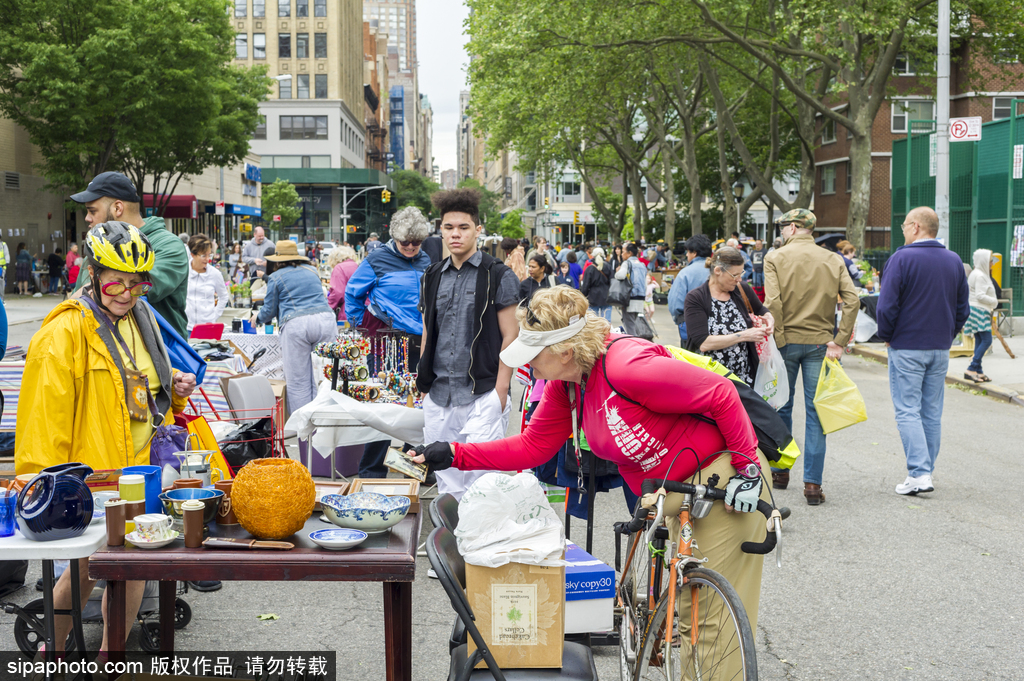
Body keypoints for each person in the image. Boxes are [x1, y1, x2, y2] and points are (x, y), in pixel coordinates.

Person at [413, 287, 771, 679]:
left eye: (533, 353)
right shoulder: (569, 382)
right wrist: (454, 453)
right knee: (682, 613)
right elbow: (533, 446)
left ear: (564, 350)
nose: (525, 364)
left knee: (705, 621)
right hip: (670, 485)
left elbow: (719, 393)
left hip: (723, 473)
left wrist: (748, 468)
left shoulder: (626, 366)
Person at [15, 222, 197, 662]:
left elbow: (141, 386)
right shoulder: (64, 332)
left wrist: (174, 386)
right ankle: (50, 659)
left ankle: (109, 662)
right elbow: (43, 415)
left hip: (144, 474)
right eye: (115, 279)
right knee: (81, 576)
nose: (126, 291)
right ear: (93, 273)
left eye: (137, 283)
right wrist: (36, 483)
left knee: (134, 571)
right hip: (93, 479)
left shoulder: (143, 318)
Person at [416, 187, 520, 500]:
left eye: (463, 228)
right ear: (441, 231)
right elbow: (427, 330)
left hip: (482, 392)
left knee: (482, 482)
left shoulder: (498, 275)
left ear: (477, 230)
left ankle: (478, 546)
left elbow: (511, 336)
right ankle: (454, 545)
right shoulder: (432, 275)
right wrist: (422, 380)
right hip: (439, 394)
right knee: (446, 481)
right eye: (449, 228)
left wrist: (501, 392)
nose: (455, 234)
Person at [763, 208, 858, 504]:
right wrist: (840, 340)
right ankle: (813, 485)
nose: (780, 232)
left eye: (782, 227)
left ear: (792, 227)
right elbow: (853, 301)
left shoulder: (774, 258)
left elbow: (773, 302)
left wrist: (777, 339)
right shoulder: (832, 258)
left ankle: (780, 469)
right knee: (817, 414)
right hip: (821, 343)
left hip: (786, 341)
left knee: (780, 406)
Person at [876, 206, 970, 496]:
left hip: (906, 345)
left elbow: (886, 305)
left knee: (907, 410)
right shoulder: (954, 260)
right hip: (939, 347)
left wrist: (887, 335)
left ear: (916, 227)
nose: (903, 230)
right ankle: (925, 470)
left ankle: (919, 473)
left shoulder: (901, 258)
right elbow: (962, 308)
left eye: (905, 225)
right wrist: (948, 334)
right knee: (931, 412)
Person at [346, 207, 431, 477]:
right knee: (382, 404)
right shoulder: (376, 259)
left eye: (416, 242)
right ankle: (371, 471)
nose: (410, 247)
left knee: (417, 404)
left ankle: (411, 467)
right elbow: (352, 295)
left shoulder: (426, 259)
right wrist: (366, 326)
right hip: (387, 341)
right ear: (394, 237)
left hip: (420, 341)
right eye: (405, 242)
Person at [71, 172, 191, 338]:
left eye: (92, 211)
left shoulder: (168, 245)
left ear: (118, 208)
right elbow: (77, 306)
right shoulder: (97, 249)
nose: (87, 218)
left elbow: (143, 288)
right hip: (100, 354)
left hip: (162, 356)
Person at [253, 241, 335, 415]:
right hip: (326, 320)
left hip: (296, 323)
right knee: (325, 377)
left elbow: (268, 311)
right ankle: (326, 426)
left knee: (299, 381)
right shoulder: (312, 270)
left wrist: (257, 318)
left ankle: (304, 433)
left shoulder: (276, 277)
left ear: (277, 260)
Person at [684, 247, 773, 385]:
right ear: (718, 271)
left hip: (743, 379)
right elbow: (703, 343)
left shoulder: (742, 289)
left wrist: (769, 317)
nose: (739, 279)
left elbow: (761, 309)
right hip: (710, 381)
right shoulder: (696, 298)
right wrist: (744, 335)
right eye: (734, 275)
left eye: (741, 273)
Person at [669, 235, 714, 346]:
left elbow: (675, 304)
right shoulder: (719, 270)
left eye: (688, 252)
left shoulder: (685, 273)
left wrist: (679, 320)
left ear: (694, 253)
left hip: (691, 327)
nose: (686, 255)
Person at [963, 248, 998, 383]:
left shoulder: (976, 273)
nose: (992, 264)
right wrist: (994, 301)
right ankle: (971, 368)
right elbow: (980, 295)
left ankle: (979, 371)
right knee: (987, 340)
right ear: (983, 261)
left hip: (976, 309)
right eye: (990, 261)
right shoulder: (980, 276)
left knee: (979, 340)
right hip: (980, 310)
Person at [184, 234, 229, 335]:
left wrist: (214, 316)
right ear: (193, 255)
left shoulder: (215, 274)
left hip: (207, 328)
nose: (208, 259)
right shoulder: (184, 272)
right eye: (204, 255)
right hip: (186, 327)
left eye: (210, 255)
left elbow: (224, 296)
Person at [614, 242, 647, 335]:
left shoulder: (627, 263)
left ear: (629, 253)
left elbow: (620, 276)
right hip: (640, 298)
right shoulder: (642, 265)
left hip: (629, 299)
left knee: (629, 327)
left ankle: (634, 344)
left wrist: (617, 272)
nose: (622, 253)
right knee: (633, 322)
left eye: (623, 251)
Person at [326, 245, 359, 324]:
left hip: (346, 312)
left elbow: (338, 293)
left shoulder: (339, 268)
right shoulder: (356, 265)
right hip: (360, 310)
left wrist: (327, 308)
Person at [580, 250, 612, 321]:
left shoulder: (590, 268)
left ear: (593, 256)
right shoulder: (608, 267)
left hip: (593, 297)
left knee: (593, 321)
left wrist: (583, 296)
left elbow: (586, 285)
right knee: (607, 321)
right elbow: (612, 281)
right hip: (606, 296)